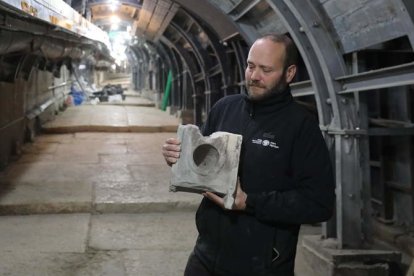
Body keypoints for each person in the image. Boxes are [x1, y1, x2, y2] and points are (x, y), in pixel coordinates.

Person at [162, 33, 335, 276]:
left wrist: (250, 202)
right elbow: (202, 162)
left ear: (289, 73)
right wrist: (178, 156)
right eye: (250, 66)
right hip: (206, 252)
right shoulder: (225, 108)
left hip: (262, 264)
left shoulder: (301, 127)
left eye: (266, 69)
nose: (254, 76)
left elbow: (319, 204)